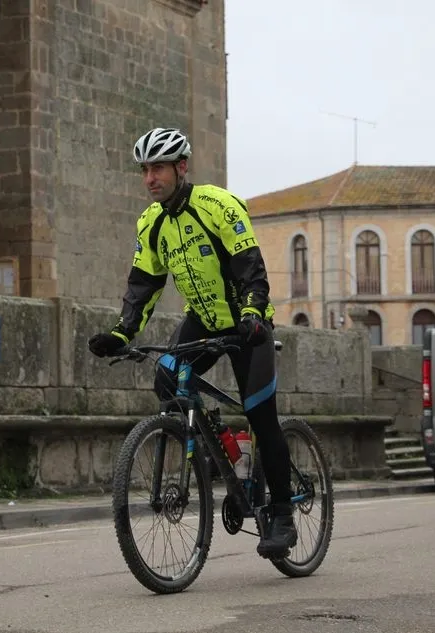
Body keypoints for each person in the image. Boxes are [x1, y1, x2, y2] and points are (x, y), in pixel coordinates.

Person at [87, 126, 297, 560]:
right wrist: (122, 332)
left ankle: (282, 514)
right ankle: (214, 448)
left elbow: (251, 269)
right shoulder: (151, 222)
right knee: (166, 381)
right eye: (144, 170)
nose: (150, 178)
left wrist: (253, 314)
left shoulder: (218, 205)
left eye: (158, 168)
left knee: (261, 415)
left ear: (181, 167)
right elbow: (143, 285)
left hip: (246, 325)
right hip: (203, 320)